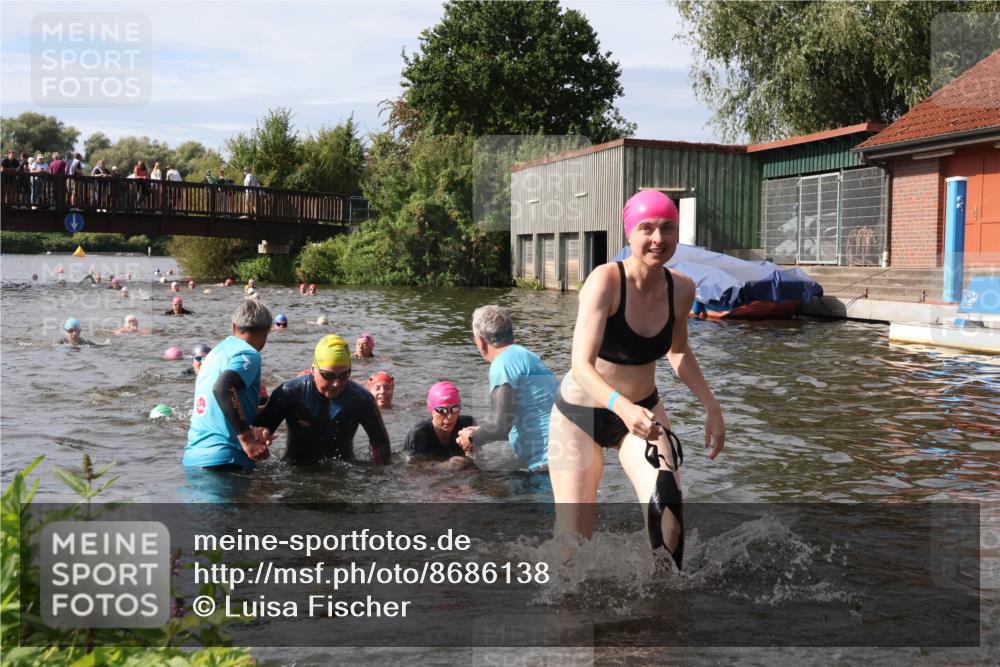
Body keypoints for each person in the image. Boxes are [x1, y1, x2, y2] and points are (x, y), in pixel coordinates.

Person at [546, 190, 726, 570]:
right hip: (580, 416)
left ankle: (664, 609)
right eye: (647, 228)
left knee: (669, 510)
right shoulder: (605, 281)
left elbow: (677, 352)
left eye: (667, 228)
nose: (658, 239)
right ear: (629, 232)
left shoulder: (681, 288)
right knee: (572, 548)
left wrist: (711, 405)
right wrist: (622, 408)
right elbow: (581, 364)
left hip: (642, 413)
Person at [255, 334, 391, 466]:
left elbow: (380, 443)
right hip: (296, 470)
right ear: (313, 369)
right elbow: (256, 433)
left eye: (344, 375)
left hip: (343, 475)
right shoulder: (289, 393)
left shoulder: (361, 399)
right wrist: (260, 440)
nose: (336, 383)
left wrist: (378, 471)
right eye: (329, 375)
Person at [456, 305, 558, 473]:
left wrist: (472, 438)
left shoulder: (502, 364)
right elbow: (508, 427)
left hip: (546, 463)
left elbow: (500, 426)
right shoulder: (527, 356)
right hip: (566, 453)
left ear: (480, 341)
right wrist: (482, 431)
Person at [183, 300, 273, 471]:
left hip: (193, 459)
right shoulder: (248, 353)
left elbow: (220, 405)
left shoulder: (214, 354)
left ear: (233, 327)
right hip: (226, 460)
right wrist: (247, 439)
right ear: (267, 331)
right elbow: (223, 387)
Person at [404, 381, 476, 470]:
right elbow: (412, 468)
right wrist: (443, 466)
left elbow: (479, 459)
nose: (449, 416)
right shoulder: (419, 434)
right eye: (442, 410)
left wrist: (470, 452)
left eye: (455, 409)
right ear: (431, 409)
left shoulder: (466, 425)